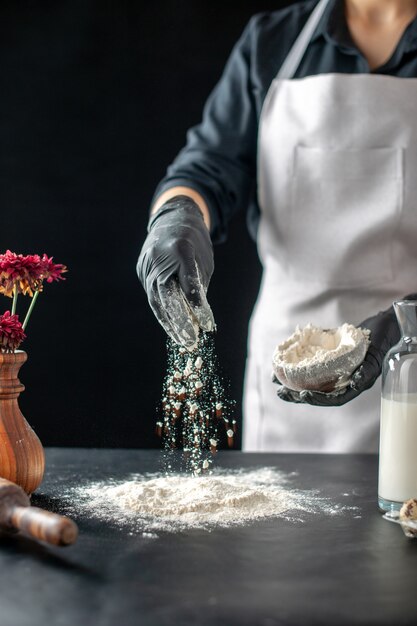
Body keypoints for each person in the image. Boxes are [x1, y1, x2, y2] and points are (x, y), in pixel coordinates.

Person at [137, 0, 417, 453]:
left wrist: (405, 326)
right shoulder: (274, 40)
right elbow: (210, 165)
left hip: (410, 366)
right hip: (286, 376)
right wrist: (177, 216)